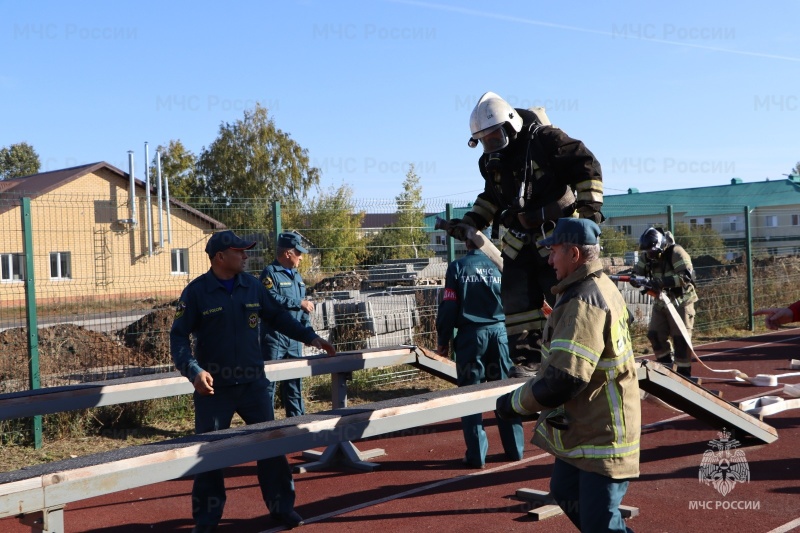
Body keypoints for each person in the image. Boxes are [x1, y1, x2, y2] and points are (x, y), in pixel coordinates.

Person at [170, 230, 336, 532]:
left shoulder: (253, 287)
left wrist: (311, 337)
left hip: (253, 385)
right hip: (214, 391)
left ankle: (282, 509)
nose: (246, 256)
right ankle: (206, 522)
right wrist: (193, 371)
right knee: (208, 457)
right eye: (240, 251)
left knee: (271, 450)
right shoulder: (196, 293)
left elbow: (278, 317)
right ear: (221, 257)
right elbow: (178, 337)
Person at [445, 91, 604, 378]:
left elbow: (586, 165)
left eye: (495, 137)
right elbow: (492, 197)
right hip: (519, 240)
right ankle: (530, 362)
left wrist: (590, 214)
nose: (491, 145)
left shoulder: (546, 141)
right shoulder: (490, 162)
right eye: (484, 141)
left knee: (566, 298)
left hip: (558, 237)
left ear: (510, 126)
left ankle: (583, 352)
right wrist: (471, 221)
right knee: (516, 301)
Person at [495, 218, 640, 533]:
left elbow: (565, 379)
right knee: (565, 491)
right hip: (586, 431)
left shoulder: (583, 302)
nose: (548, 260)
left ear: (574, 254)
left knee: (600, 523)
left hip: (603, 436)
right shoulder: (597, 287)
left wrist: (514, 404)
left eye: (555, 252)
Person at [435, 238, 524, 469]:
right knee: (505, 391)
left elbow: (449, 305)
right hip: (500, 334)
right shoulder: (500, 264)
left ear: (466, 242)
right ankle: (515, 449)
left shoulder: (457, 267)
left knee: (470, 395)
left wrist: (443, 340)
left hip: (471, 337)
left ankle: (477, 455)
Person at [260, 232, 314, 418]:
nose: (301, 257)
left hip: (295, 339)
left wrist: (308, 333)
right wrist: (298, 303)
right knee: (269, 384)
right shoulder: (270, 273)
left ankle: (297, 423)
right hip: (274, 338)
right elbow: (271, 299)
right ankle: (266, 426)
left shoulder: (297, 277)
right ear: (287, 253)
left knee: (295, 383)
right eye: (298, 253)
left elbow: (304, 309)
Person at [633, 227, 698, 378]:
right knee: (654, 334)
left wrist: (661, 282)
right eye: (647, 251)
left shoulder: (676, 252)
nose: (650, 254)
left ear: (661, 245)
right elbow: (637, 271)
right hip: (662, 302)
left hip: (681, 302)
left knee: (680, 340)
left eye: (652, 251)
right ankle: (667, 369)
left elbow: (686, 277)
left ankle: (684, 376)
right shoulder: (647, 256)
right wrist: (635, 279)